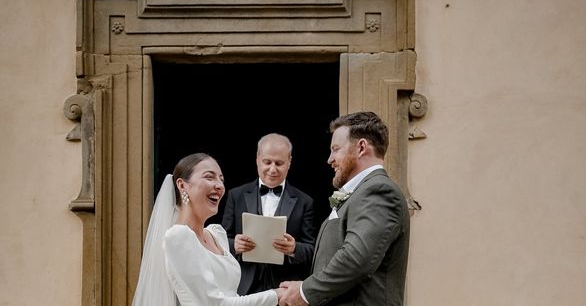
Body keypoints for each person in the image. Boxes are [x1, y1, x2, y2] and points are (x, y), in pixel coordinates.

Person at [278, 112, 411, 306]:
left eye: (335, 149)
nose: (329, 159)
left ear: (361, 147)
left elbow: (356, 258)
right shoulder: (362, 192)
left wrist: (305, 292)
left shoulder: (379, 191)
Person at [131, 152, 284, 306]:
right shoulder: (178, 237)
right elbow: (213, 303)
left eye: (221, 179)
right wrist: (275, 296)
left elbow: (232, 296)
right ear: (182, 185)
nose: (219, 186)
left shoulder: (216, 234)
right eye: (209, 177)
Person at [222, 133, 315, 295]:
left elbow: (312, 249)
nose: (272, 169)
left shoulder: (305, 201)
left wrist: (294, 248)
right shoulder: (235, 195)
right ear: (258, 159)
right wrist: (234, 245)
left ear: (289, 162)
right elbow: (220, 241)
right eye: (267, 162)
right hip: (242, 287)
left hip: (284, 289)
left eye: (279, 163)